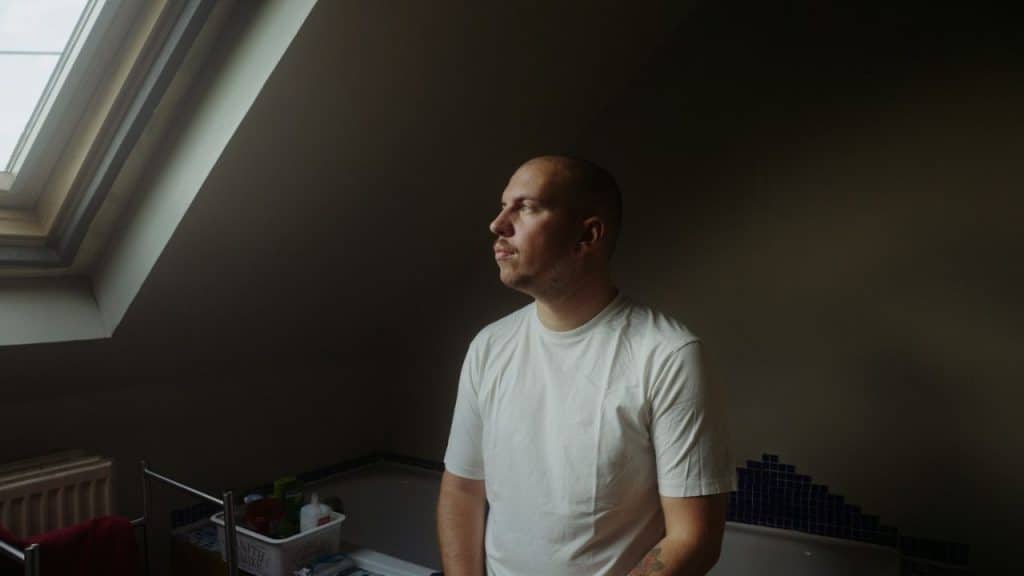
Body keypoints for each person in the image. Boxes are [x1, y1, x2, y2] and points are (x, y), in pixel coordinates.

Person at [437, 155, 735, 575]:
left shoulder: (667, 355)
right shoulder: (489, 347)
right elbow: (463, 489)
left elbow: (694, 537)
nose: (498, 223)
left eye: (526, 207)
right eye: (504, 205)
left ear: (587, 235)